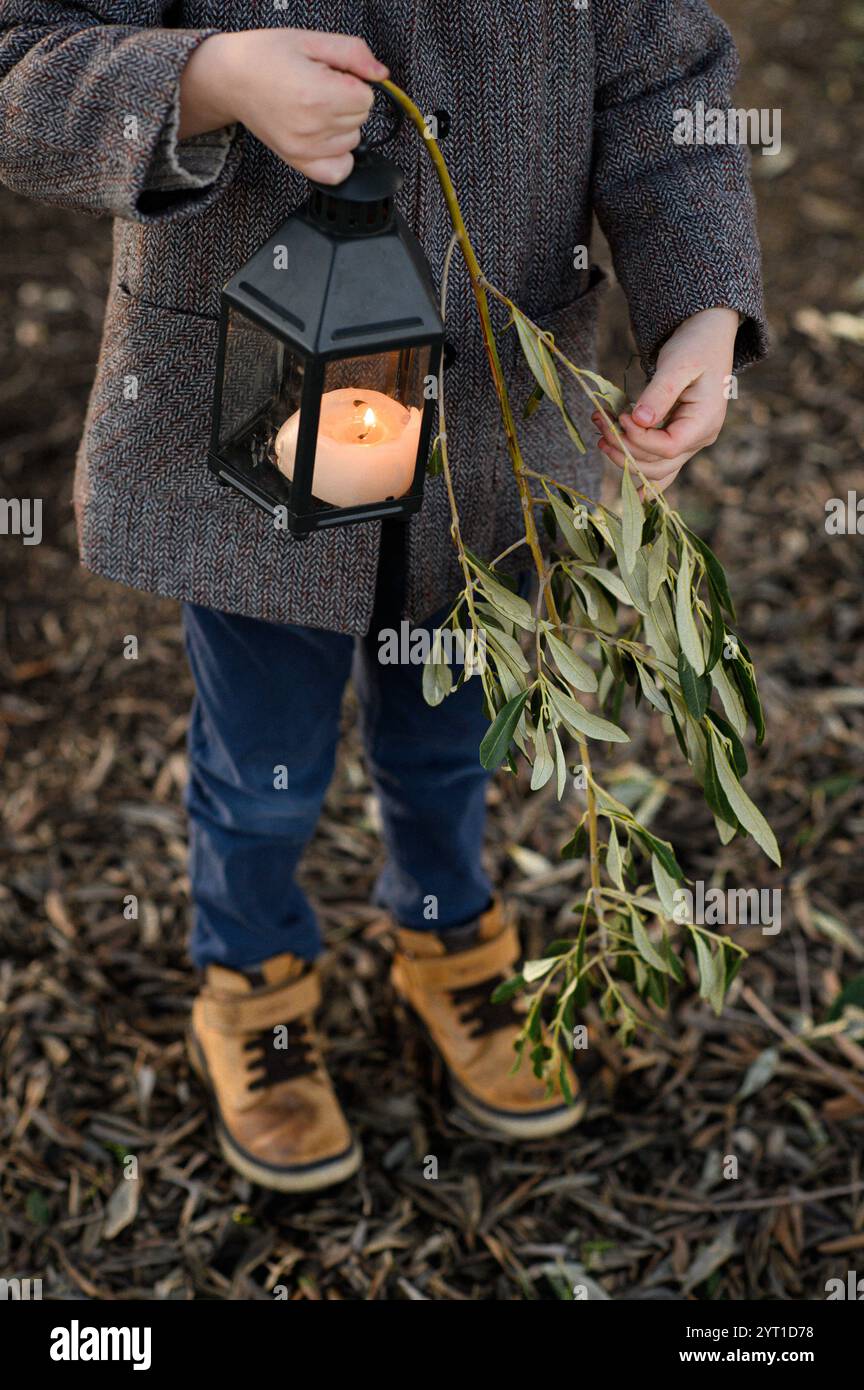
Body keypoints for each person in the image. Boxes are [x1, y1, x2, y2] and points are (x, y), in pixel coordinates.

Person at [0, 3, 767, 1191]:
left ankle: (446, 929)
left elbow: (665, 81)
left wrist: (702, 305)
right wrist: (203, 79)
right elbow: (21, 53)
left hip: (491, 438)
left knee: (451, 735)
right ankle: (251, 978)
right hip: (254, 426)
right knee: (263, 764)